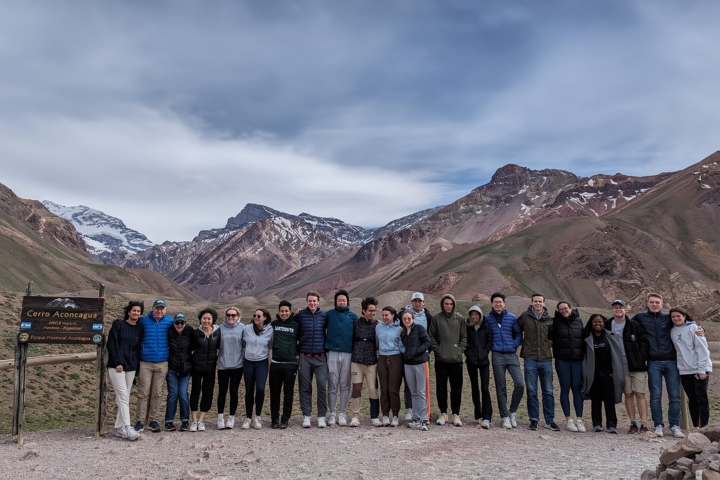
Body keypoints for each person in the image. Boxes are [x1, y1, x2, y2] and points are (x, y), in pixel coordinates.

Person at [632, 293, 684, 438]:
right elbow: (627, 325)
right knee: (655, 396)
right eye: (652, 302)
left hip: (671, 361)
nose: (654, 304)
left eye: (657, 302)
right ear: (647, 303)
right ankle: (658, 425)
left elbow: (686, 321)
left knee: (675, 396)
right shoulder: (640, 317)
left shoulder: (668, 317)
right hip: (653, 362)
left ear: (662, 303)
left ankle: (674, 425)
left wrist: (700, 330)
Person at [607, 299, 650, 434]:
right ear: (612, 310)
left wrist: (641, 358)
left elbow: (644, 342)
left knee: (640, 393)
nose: (618, 309)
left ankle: (644, 423)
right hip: (620, 365)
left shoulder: (634, 325)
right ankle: (633, 423)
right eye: (615, 307)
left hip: (636, 365)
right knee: (628, 394)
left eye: (621, 307)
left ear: (626, 309)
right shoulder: (608, 324)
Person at [517, 294, 558, 432]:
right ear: (531, 302)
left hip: (546, 359)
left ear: (544, 303)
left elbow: (553, 337)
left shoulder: (550, 320)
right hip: (530, 359)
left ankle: (549, 420)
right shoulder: (524, 317)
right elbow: (516, 330)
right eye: (536, 301)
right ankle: (534, 419)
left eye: (540, 301)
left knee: (548, 391)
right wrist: (522, 343)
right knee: (532, 390)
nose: (538, 303)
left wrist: (547, 344)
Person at [134, 299, 173, 433]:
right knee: (143, 393)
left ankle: (153, 420)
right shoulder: (143, 321)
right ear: (152, 308)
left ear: (165, 310)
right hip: (145, 362)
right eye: (157, 308)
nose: (159, 311)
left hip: (162, 362)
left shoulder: (170, 322)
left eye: (162, 309)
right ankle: (139, 421)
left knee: (157, 393)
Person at [107, 301, 144, 441]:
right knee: (122, 395)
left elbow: (137, 348)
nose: (135, 313)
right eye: (133, 310)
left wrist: (137, 369)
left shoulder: (139, 329)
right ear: (128, 312)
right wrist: (118, 362)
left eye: (138, 311)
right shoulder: (118, 325)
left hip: (131, 366)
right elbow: (112, 343)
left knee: (124, 397)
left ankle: (119, 428)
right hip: (117, 366)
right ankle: (128, 427)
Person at [428, 294, 467, 426]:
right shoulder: (436, 319)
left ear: (454, 304)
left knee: (456, 388)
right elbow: (431, 336)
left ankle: (456, 414)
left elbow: (464, 337)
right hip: (441, 360)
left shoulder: (460, 319)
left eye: (451, 304)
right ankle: (443, 413)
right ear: (442, 304)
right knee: (441, 387)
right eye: (446, 304)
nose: (449, 306)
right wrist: (438, 350)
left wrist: (459, 350)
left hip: (456, 360)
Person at [582, 314, 625, 434]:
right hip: (593, 373)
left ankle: (611, 425)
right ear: (591, 323)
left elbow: (616, 356)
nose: (597, 324)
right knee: (595, 400)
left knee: (609, 400)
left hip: (609, 373)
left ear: (604, 322)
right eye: (595, 322)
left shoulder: (611, 336)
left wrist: (614, 372)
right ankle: (597, 424)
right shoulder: (587, 337)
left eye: (600, 322)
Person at [670, 307, 712, 429]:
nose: (676, 318)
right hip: (684, 370)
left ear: (684, 316)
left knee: (701, 398)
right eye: (673, 316)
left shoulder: (694, 328)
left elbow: (702, 349)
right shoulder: (672, 331)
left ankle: (705, 427)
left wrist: (702, 369)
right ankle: (696, 426)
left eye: (678, 316)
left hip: (699, 369)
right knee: (692, 399)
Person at [486, 293, 524, 429]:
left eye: (500, 302)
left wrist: (514, 345)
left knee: (520, 384)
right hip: (497, 355)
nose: (498, 304)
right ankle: (504, 417)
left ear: (504, 303)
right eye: (495, 302)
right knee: (500, 387)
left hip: (511, 354)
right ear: (492, 304)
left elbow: (519, 334)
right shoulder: (488, 320)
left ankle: (512, 412)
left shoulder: (511, 317)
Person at [552, 301, 586, 432]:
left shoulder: (579, 321)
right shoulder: (555, 322)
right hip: (562, 360)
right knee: (565, 387)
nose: (563, 311)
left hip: (577, 360)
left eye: (565, 308)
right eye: (561, 310)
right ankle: (568, 420)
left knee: (577, 388)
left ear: (570, 308)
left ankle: (580, 419)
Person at [325, 289, 357, 426]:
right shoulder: (329, 315)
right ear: (336, 302)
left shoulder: (353, 316)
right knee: (332, 383)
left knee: (345, 384)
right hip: (332, 352)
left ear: (347, 301)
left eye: (344, 300)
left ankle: (342, 413)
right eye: (339, 300)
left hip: (347, 353)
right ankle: (332, 413)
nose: (342, 302)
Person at [297, 291, 329, 428]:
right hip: (305, 357)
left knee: (322, 386)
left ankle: (321, 416)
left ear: (318, 302)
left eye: (314, 301)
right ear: (306, 301)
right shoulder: (300, 316)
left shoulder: (324, 316)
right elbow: (295, 333)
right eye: (310, 301)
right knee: (305, 387)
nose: (312, 303)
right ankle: (306, 416)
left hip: (320, 357)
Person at [401, 292, 434, 421]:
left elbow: (428, 339)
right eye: (415, 301)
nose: (417, 303)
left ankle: (424, 416)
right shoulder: (404, 319)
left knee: (422, 388)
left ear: (423, 302)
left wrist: (421, 351)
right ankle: (412, 412)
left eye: (419, 301)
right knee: (410, 387)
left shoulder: (427, 317)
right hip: (408, 360)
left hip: (421, 358)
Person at [349, 297, 380, 427]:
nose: (372, 313)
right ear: (363, 310)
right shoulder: (355, 323)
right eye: (370, 310)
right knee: (356, 389)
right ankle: (355, 416)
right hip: (357, 361)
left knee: (373, 389)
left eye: (374, 311)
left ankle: (374, 417)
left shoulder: (377, 325)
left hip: (372, 362)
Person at [269, 300, 301, 429]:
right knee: (274, 392)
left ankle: (285, 418)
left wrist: (297, 352)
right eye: (282, 311)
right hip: (275, 363)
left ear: (290, 312)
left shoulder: (296, 324)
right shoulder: (273, 324)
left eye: (286, 311)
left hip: (290, 364)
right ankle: (274, 418)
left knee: (288, 392)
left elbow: (302, 339)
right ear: (278, 312)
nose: (284, 313)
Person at [241, 308, 273, 429]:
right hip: (248, 362)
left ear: (265, 318)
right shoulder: (246, 329)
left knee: (260, 388)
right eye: (254, 315)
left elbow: (272, 344)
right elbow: (242, 342)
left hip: (262, 362)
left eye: (259, 316)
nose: (256, 318)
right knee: (249, 389)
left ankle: (257, 417)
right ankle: (248, 417)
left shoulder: (270, 330)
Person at [189, 308, 221, 432]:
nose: (206, 321)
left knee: (207, 393)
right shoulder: (196, 333)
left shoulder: (217, 333)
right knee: (195, 392)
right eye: (204, 318)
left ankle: (201, 420)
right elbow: (190, 349)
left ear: (212, 320)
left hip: (211, 369)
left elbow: (221, 348)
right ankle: (193, 421)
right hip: (197, 368)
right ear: (200, 319)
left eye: (208, 318)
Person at [465, 305, 493, 429]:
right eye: (472, 314)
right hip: (471, 361)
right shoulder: (467, 327)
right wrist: (468, 353)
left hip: (483, 361)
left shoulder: (486, 325)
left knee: (485, 388)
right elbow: (464, 341)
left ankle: (487, 417)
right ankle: (479, 415)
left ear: (480, 315)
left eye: (477, 314)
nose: (474, 316)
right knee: (474, 388)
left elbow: (490, 341)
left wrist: (484, 352)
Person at [216, 307, 244, 430]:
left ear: (238, 316)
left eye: (233, 315)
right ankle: (220, 417)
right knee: (222, 391)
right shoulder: (219, 328)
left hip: (237, 365)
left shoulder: (243, 327)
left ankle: (231, 417)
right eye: (228, 315)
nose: (231, 317)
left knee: (234, 391)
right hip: (223, 364)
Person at [164, 313, 193, 432]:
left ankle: (185, 421)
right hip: (172, 368)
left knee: (183, 393)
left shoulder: (190, 333)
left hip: (185, 369)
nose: (179, 325)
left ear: (185, 323)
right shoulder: (169, 333)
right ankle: (169, 421)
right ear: (174, 323)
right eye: (177, 322)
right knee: (173, 393)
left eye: (182, 322)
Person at [376, 306, 404, 426]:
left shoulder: (400, 329)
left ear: (393, 315)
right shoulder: (378, 327)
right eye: (383, 315)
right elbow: (377, 343)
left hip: (395, 358)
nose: (384, 317)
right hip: (382, 358)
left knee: (393, 389)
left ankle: (396, 415)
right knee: (384, 389)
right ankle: (385, 415)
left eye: (386, 315)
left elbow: (402, 345)